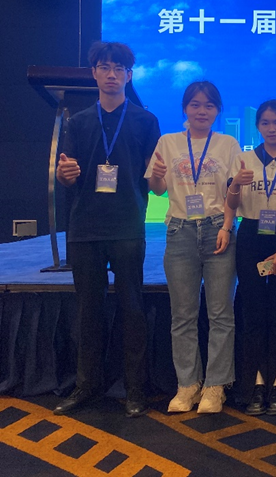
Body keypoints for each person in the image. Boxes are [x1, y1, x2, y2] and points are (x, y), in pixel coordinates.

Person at [54, 41, 161, 418]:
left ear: (129, 76)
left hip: (128, 225)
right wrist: (64, 175)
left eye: (119, 68)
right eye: (105, 67)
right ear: (94, 73)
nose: (112, 74)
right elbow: (66, 176)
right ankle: (87, 385)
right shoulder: (78, 122)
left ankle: (135, 389)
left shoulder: (146, 121)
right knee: (88, 311)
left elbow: (155, 181)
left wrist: (160, 176)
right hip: (85, 227)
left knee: (132, 308)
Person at [146, 81, 241, 414]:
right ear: (185, 108)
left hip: (218, 229)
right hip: (180, 230)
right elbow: (157, 189)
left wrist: (227, 227)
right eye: (195, 105)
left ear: (218, 110)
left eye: (209, 105)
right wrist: (157, 176)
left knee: (220, 314)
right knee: (183, 315)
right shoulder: (168, 142)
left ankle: (216, 385)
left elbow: (234, 193)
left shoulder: (228, 144)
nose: (202, 111)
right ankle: (187, 384)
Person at [226, 100, 276, 416]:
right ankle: (255, 385)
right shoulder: (244, 159)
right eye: (265, 123)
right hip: (250, 237)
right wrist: (235, 184)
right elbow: (231, 203)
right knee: (253, 313)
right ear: (258, 126)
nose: (272, 129)